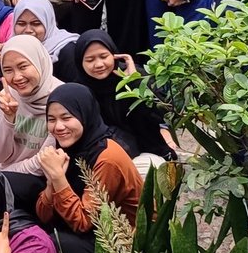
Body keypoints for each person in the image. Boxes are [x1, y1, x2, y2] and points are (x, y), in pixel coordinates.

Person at [33, 83, 142, 253]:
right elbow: (44, 215)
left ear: (85, 115)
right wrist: (51, 183)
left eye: (67, 118)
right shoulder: (69, 148)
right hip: (95, 227)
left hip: (127, 239)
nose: (58, 127)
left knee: (49, 243)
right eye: (51, 119)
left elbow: (83, 222)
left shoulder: (107, 158)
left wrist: (58, 178)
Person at [57, 29, 173, 162]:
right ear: (80, 63)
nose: (99, 64)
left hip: (150, 151)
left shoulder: (134, 74)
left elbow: (164, 112)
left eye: (104, 56)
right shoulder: (79, 90)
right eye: (90, 60)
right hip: (104, 156)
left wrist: (135, 81)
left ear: (114, 55)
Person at [0, 35, 56, 176]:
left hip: (38, 177)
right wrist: (8, 119)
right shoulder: (8, 95)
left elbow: (43, 162)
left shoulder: (59, 99)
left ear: (40, 61)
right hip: (5, 168)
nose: (17, 77)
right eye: (8, 70)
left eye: (23, 67)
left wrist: (0, 174)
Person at [10, 0, 72, 65]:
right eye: (21, 24)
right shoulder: (13, 49)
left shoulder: (66, 52)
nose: (28, 30)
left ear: (48, 24)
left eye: (36, 24)